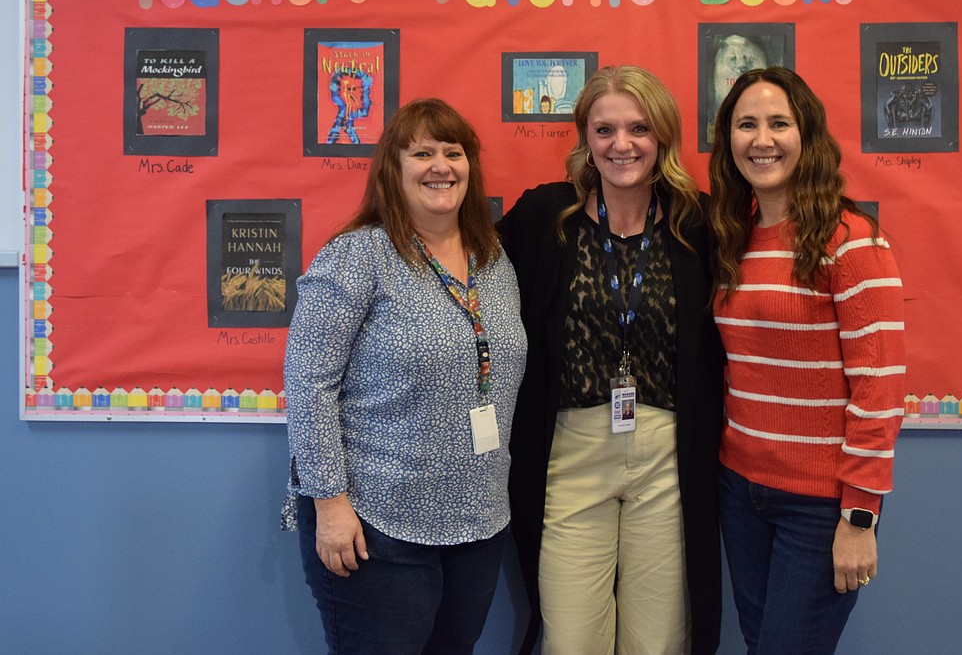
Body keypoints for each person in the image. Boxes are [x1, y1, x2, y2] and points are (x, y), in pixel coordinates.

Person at [282, 98, 527, 654]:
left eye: (453, 152)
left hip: (478, 523)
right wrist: (329, 503)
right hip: (377, 525)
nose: (441, 166)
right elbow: (308, 381)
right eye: (422, 153)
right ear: (393, 169)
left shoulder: (494, 259)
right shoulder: (358, 255)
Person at [498, 66, 725, 654]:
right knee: (570, 641)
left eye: (638, 129)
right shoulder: (545, 217)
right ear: (585, 138)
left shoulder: (697, 224)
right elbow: (463, 267)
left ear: (663, 137)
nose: (622, 145)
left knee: (660, 643)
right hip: (571, 456)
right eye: (605, 130)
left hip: (664, 459)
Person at [707, 67, 906, 654]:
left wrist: (860, 517)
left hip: (819, 507)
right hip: (740, 490)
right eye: (746, 124)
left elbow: (880, 386)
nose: (761, 139)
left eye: (778, 123)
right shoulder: (732, 235)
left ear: (807, 135)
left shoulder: (850, 240)